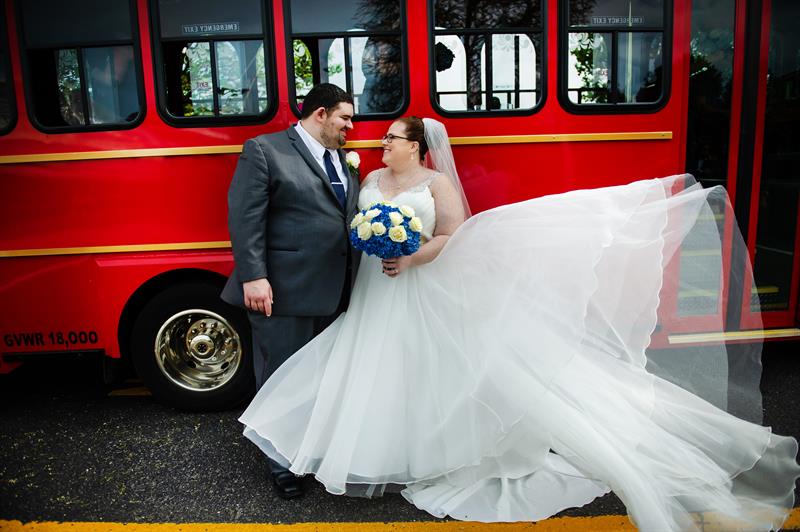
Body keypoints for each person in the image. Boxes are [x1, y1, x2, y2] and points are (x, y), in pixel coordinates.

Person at [239, 116, 800, 530]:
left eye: (392, 138)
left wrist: (409, 255)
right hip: (372, 290)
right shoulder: (367, 178)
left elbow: (452, 233)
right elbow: (354, 223)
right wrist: (373, 240)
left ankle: (428, 453)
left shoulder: (434, 186)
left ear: (417, 147)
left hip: (415, 282)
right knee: (374, 365)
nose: (380, 142)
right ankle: (377, 449)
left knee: (423, 365)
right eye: (383, 138)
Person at [222, 83, 360, 500]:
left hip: (337, 292)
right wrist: (253, 276)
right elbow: (245, 216)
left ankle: (310, 453)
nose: (350, 127)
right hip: (282, 291)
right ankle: (280, 463)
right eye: (345, 118)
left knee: (319, 380)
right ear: (320, 114)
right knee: (280, 377)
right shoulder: (264, 150)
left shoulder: (343, 161)